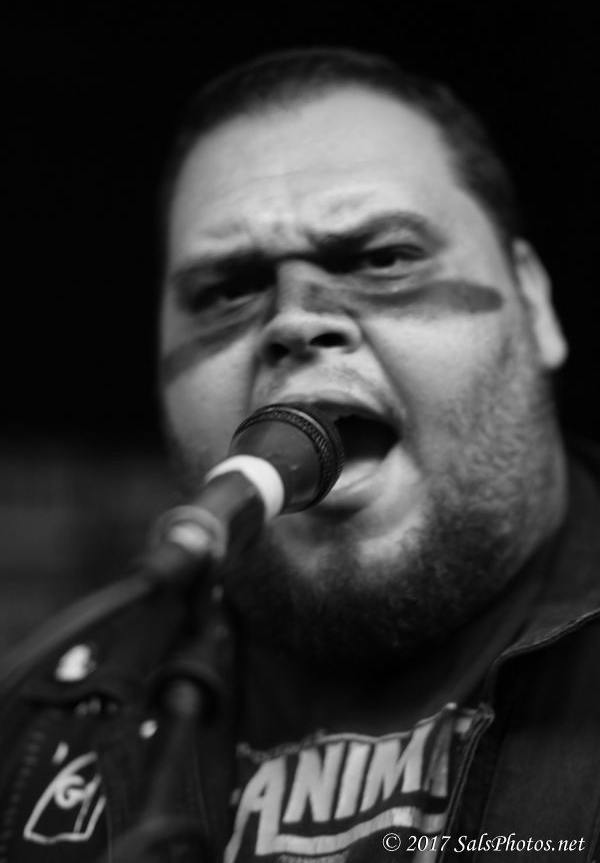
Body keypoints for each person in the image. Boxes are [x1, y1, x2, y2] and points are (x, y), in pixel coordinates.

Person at [0, 47, 598, 862]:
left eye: (384, 259)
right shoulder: (32, 725)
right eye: (226, 291)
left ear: (533, 302)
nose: (294, 319)